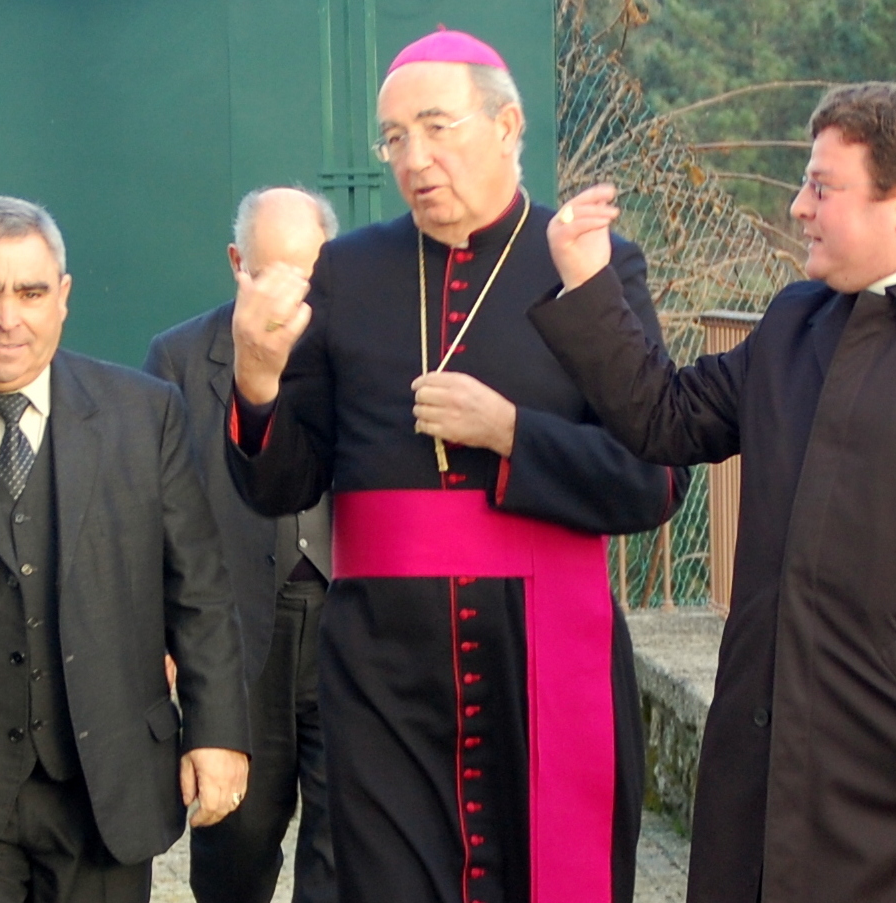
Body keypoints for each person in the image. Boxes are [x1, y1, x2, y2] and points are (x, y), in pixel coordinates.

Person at [526, 82, 896, 903]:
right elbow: (666, 418)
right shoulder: (795, 323)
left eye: (821, 187)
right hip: (759, 774)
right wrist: (591, 284)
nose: (799, 206)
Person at [227, 29, 687, 903]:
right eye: (394, 138)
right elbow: (283, 485)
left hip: (546, 650)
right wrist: (255, 379)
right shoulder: (347, 273)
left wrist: (514, 432)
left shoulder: (591, 263)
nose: (414, 157)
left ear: (509, 123)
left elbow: (657, 479)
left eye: (436, 127)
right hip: (383, 673)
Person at [0, 196, 250, 903]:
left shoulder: (143, 412)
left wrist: (219, 732)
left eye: (30, 292)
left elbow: (197, 589)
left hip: (106, 791)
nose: (7, 317)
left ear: (63, 298)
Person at [144, 186, 339, 903]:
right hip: (232, 633)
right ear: (236, 263)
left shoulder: (355, 353)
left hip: (344, 624)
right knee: (239, 840)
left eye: (306, 274)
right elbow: (155, 511)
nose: (289, 293)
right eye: (269, 273)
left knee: (343, 841)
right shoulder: (177, 359)